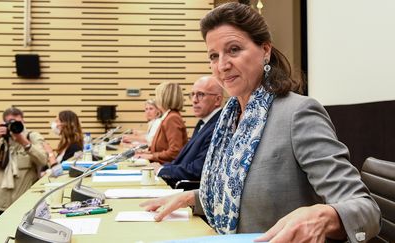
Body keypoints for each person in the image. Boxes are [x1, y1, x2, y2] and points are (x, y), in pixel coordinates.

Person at [140, 3, 381, 243]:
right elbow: (237, 192)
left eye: (233, 50)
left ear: (265, 50)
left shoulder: (298, 113)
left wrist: (325, 216)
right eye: (214, 56)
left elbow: (365, 209)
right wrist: (190, 198)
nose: (222, 65)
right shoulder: (228, 119)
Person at [149, 76, 223, 188]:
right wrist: (163, 168)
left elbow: (198, 169)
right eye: (192, 94)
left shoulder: (218, 126)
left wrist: (162, 170)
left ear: (217, 100)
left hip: (186, 191)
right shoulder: (203, 123)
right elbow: (185, 161)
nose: (194, 100)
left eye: (200, 94)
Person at [0, 107, 47, 218]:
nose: (14, 125)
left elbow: (43, 160)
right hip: (2, 205)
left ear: (23, 121)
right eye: (11, 122)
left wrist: (24, 142)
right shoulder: (0, 140)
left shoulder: (32, 137)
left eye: (18, 122)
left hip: (26, 204)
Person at [136, 82, 188, 164]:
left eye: (157, 96)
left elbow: (175, 152)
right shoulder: (168, 116)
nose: (155, 99)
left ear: (164, 98)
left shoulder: (172, 118)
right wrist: (149, 153)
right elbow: (163, 147)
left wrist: (152, 156)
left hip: (167, 170)